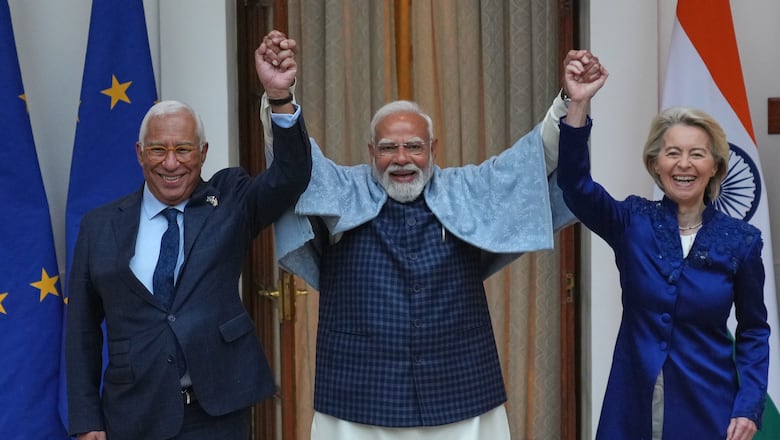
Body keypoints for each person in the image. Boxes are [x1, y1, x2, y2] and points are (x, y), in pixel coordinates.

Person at [260, 31, 602, 439]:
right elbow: (294, 163)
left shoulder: (468, 188)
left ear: (433, 148)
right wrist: (281, 98)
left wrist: (571, 100)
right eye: (388, 148)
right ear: (371, 152)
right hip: (359, 390)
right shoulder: (341, 188)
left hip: (459, 386)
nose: (401, 159)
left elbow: (534, 158)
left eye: (414, 147)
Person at [64, 38, 311, 440]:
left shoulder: (229, 199)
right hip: (134, 412)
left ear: (203, 152)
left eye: (183, 149)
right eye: (158, 150)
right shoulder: (100, 226)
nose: (172, 162)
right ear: (140, 153)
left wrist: (280, 98)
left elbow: (290, 176)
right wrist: (87, 420)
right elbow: (82, 332)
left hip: (218, 410)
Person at [557, 57, 769, 439]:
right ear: (655, 164)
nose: (683, 164)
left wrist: (749, 404)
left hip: (709, 406)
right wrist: (578, 104)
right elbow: (575, 185)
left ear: (715, 167)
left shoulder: (742, 241)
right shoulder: (631, 222)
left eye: (696, 154)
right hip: (631, 404)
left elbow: (754, 330)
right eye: (672, 153)